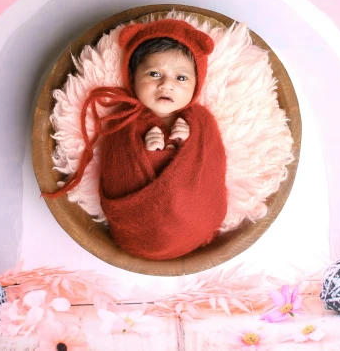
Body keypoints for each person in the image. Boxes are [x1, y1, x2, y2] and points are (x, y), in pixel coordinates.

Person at [45, 19, 228, 260]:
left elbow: (208, 165)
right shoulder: (123, 120)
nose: (166, 85)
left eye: (181, 78)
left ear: (197, 84)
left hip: (194, 217)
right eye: (154, 74)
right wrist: (150, 153)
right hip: (142, 225)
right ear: (132, 78)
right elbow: (119, 170)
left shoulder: (201, 121)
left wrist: (187, 142)